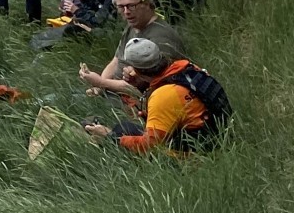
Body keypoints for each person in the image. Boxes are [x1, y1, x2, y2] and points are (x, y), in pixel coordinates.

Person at [82, 37, 227, 153]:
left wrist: (110, 138)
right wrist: (138, 84)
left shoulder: (163, 96)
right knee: (125, 127)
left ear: (136, 69)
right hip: (217, 138)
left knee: (120, 133)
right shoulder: (187, 68)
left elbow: (149, 145)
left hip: (194, 156)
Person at [80, 0, 186, 99]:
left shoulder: (161, 37)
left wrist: (100, 83)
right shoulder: (133, 25)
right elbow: (116, 61)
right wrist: (99, 88)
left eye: (131, 6)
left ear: (146, 4)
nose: (126, 12)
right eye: (121, 7)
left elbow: (140, 87)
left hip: (134, 99)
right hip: (113, 90)